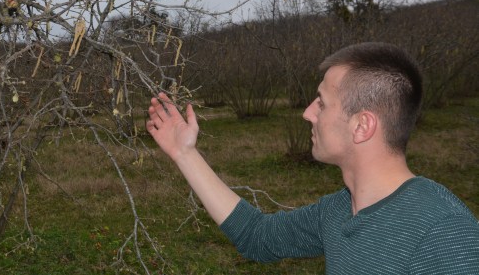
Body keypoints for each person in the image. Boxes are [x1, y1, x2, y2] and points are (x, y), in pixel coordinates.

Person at [146, 42, 479, 274]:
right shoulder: (337, 211)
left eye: (321, 102)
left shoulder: (444, 232)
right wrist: (184, 153)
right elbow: (257, 237)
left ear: (362, 125)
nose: (307, 113)